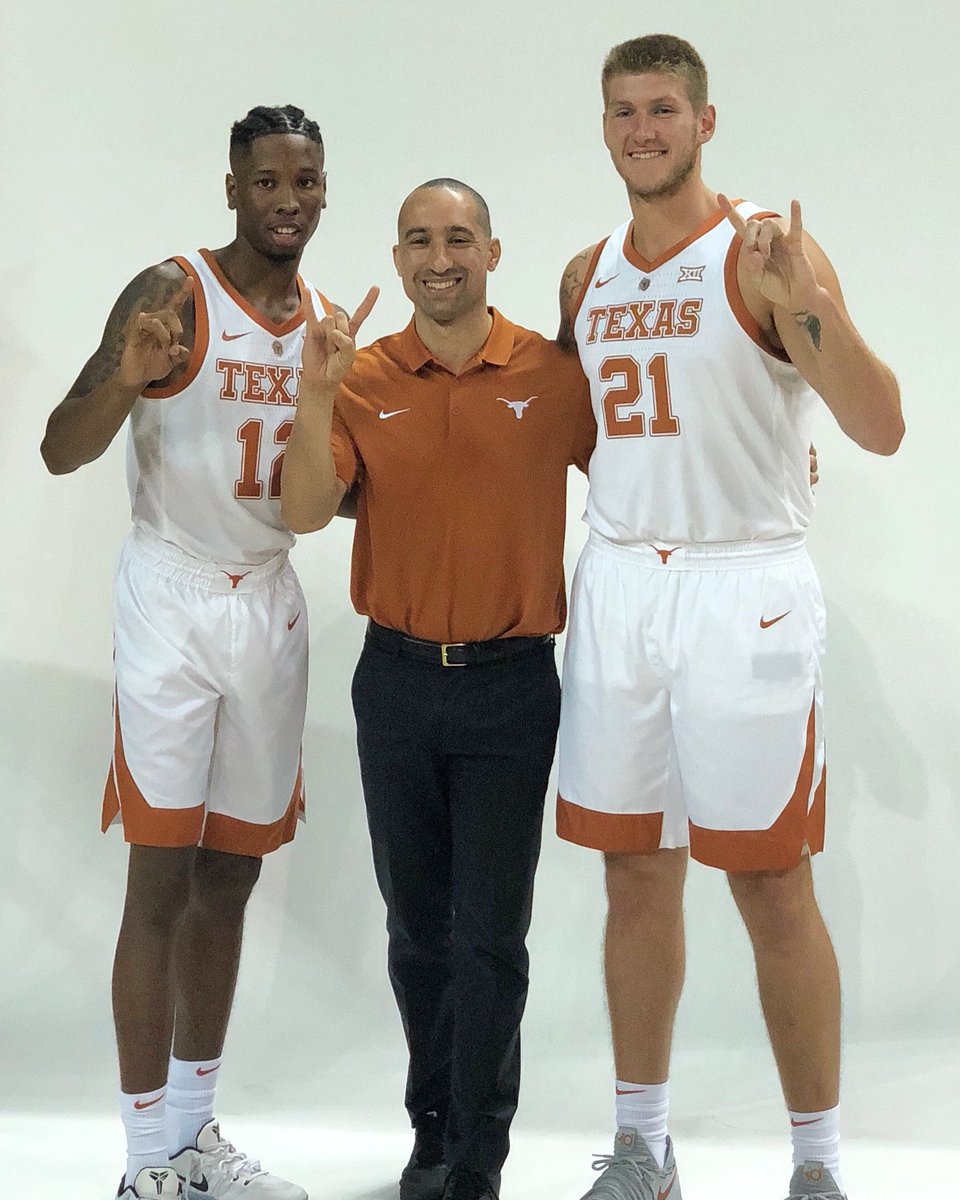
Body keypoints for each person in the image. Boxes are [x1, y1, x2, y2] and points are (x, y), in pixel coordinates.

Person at [554, 34, 903, 1200]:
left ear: (706, 123)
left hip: (741, 590)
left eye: (662, 109)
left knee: (770, 885)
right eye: (622, 111)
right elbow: (576, 433)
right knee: (634, 876)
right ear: (603, 128)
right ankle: (644, 1149)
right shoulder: (583, 273)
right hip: (620, 586)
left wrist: (814, 313)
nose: (641, 129)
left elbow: (882, 423)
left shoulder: (762, 256)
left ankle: (817, 1167)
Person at [41, 105, 372, 1200]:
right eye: (267, 180)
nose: (288, 199)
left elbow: (333, 494)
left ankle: (194, 1137)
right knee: (159, 876)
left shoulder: (328, 321)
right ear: (230, 189)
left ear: (325, 191)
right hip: (173, 596)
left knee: (232, 873)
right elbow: (59, 448)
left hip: (267, 603)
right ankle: (144, 1163)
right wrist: (123, 379)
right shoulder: (169, 292)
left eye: (306, 181)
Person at [280, 179, 596, 1200]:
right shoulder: (364, 376)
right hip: (399, 681)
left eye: (459, 237)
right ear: (398, 257)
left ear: (493, 253)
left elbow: (646, 457)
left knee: (489, 934)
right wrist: (318, 388)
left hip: (511, 686)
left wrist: (778, 456)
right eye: (419, 239)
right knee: (417, 931)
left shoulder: (551, 375)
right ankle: (429, 1130)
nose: (440, 256)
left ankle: (476, 1155)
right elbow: (300, 509)